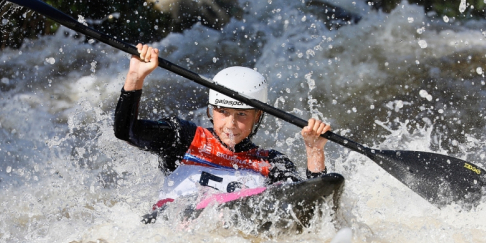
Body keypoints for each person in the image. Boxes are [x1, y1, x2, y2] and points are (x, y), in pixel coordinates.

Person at [114, 44, 332, 215]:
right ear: (211, 111)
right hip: (170, 227)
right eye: (223, 112)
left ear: (258, 116)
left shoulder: (271, 162)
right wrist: (136, 77)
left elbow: (306, 207)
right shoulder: (183, 138)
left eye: (242, 115)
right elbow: (126, 131)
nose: (230, 124)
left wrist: (314, 152)